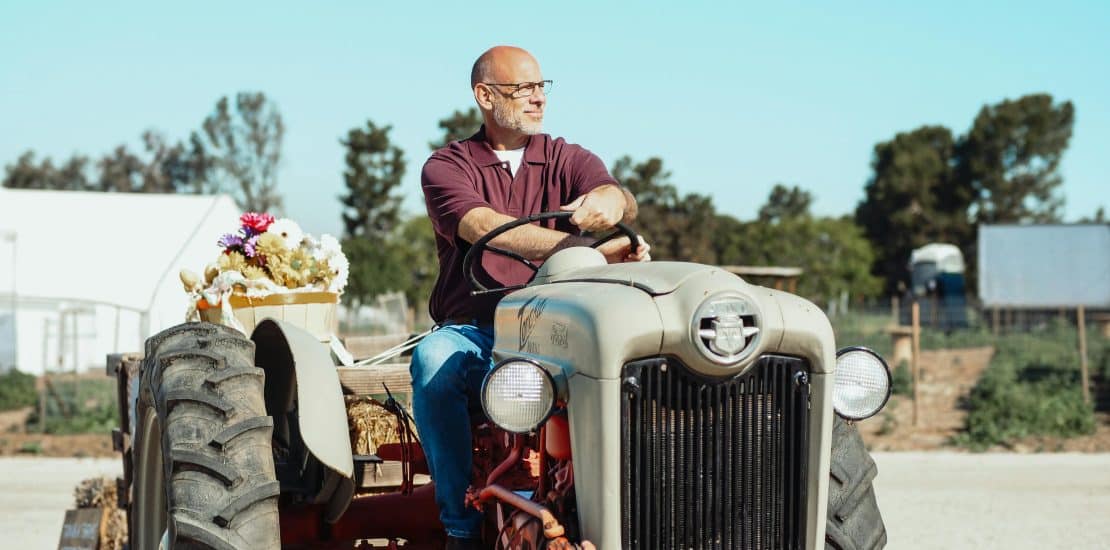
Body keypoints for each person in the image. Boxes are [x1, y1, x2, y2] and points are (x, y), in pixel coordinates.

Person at [412, 45, 649, 549]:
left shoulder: (564, 156)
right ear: (485, 95)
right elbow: (481, 227)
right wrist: (581, 249)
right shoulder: (449, 165)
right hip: (480, 331)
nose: (538, 98)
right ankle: (461, 525)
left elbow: (616, 195)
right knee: (434, 362)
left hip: (559, 333)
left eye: (542, 86)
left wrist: (610, 203)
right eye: (524, 89)